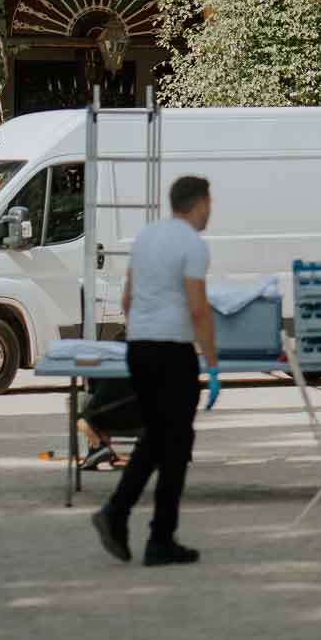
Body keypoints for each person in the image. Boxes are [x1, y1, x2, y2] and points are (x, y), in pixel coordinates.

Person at [92, 174, 218, 568]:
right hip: (172, 352)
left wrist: (143, 331)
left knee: (158, 438)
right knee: (176, 444)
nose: (210, 210)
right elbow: (198, 308)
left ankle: (123, 515)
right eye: (209, 203)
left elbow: (128, 298)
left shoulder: (146, 238)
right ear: (198, 203)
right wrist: (212, 363)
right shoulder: (193, 245)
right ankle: (153, 533)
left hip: (140, 348)